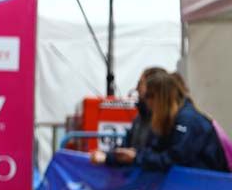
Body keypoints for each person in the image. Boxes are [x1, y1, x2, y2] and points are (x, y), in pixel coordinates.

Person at [92, 70, 230, 172]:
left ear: (161, 96)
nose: (145, 101)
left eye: (148, 96)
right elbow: (154, 150)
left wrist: (135, 158)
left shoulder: (188, 120)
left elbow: (174, 159)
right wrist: (113, 157)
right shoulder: (168, 120)